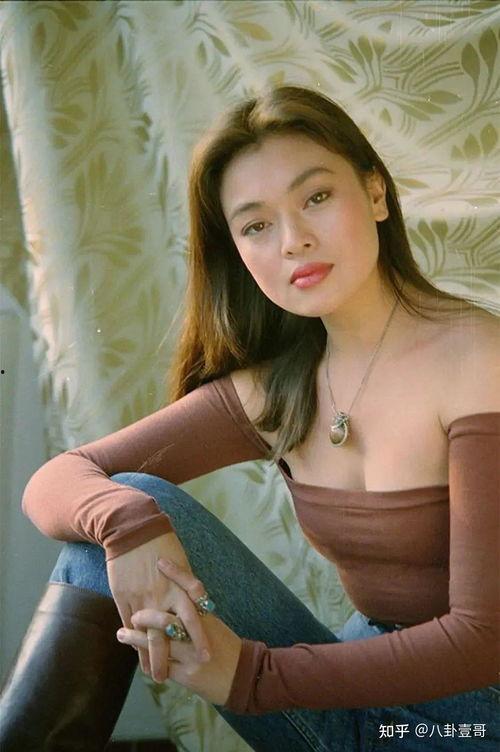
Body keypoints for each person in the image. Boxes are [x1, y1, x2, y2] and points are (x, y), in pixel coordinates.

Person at [1, 85, 498, 752]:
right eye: (256, 226)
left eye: (316, 197)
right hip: (361, 695)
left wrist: (252, 677)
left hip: (477, 715)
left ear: (376, 193)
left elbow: (483, 640)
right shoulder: (279, 388)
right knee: (116, 515)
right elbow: (58, 479)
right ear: (236, 250)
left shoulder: (476, 359)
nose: (294, 241)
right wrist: (126, 525)